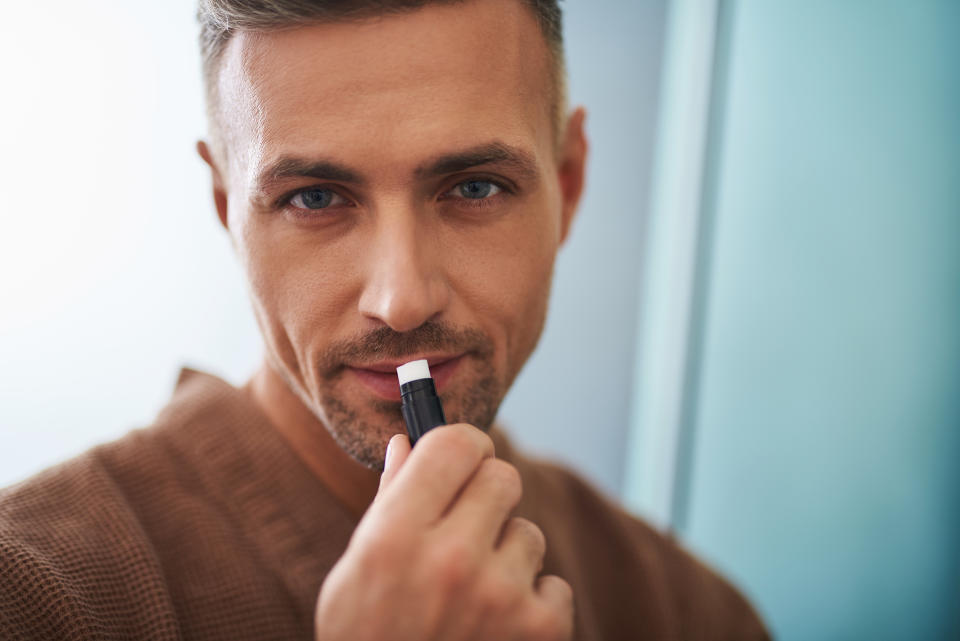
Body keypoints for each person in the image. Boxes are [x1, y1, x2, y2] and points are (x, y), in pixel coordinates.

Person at [0, 0, 770, 639]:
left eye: (473, 188)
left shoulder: (690, 612)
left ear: (567, 185)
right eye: (314, 198)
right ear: (226, 208)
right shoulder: (32, 596)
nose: (402, 299)